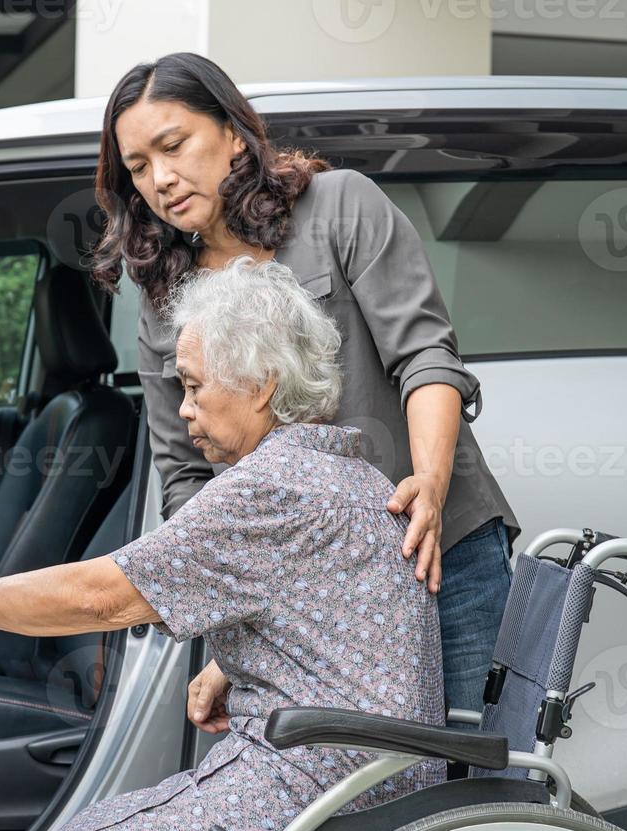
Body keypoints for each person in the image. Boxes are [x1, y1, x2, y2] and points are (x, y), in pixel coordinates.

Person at [0, 259, 446, 831]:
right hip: (370, 771)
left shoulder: (267, 490)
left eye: (196, 386)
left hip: (323, 780)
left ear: (261, 383)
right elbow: (316, 613)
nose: (183, 410)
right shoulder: (345, 471)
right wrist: (225, 665)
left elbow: (101, 598)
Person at [89, 52, 521, 729]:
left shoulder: (340, 205)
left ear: (234, 131)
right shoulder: (162, 299)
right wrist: (233, 637)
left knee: (483, 790)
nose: (161, 179)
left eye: (173, 146)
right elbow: (185, 479)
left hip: (443, 555)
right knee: (364, 813)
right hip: (315, 601)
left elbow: (427, 358)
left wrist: (431, 486)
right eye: (138, 167)